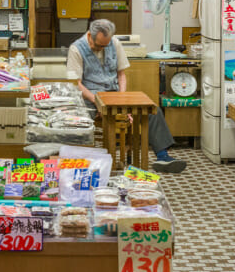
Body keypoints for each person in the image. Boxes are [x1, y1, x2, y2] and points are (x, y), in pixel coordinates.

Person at [66, 19, 187, 173]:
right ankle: (85, 162)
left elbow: (121, 75)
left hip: (114, 94)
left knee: (151, 110)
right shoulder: (76, 49)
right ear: (89, 35)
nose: (102, 48)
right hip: (90, 98)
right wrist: (97, 102)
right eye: (98, 45)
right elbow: (76, 83)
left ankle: (163, 156)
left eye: (105, 45)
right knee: (79, 119)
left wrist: (121, 101)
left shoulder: (114, 43)